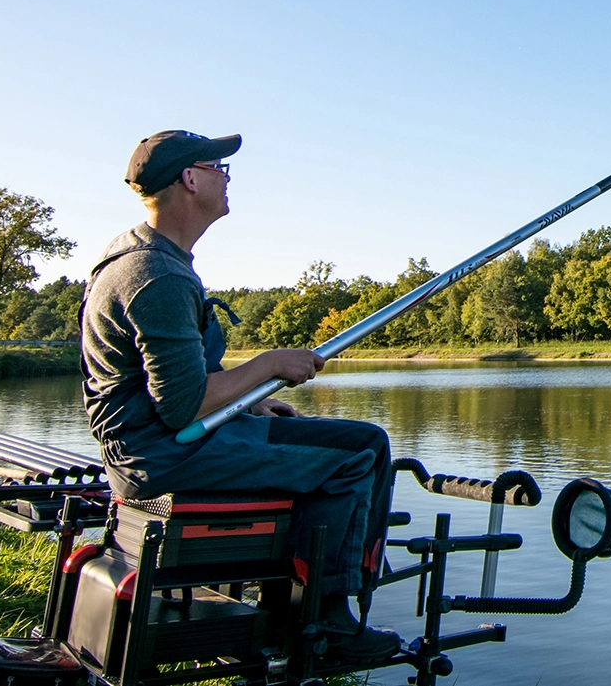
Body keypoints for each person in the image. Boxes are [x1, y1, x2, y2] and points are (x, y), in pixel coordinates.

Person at [80, 130, 401, 662]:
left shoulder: (148, 255)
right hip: (164, 453)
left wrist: (251, 400)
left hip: (162, 443)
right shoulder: (155, 274)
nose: (227, 179)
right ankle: (325, 627)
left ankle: (294, 608)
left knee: (347, 441)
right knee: (361, 451)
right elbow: (184, 406)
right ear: (190, 179)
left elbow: (183, 377)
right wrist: (270, 364)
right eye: (219, 168)